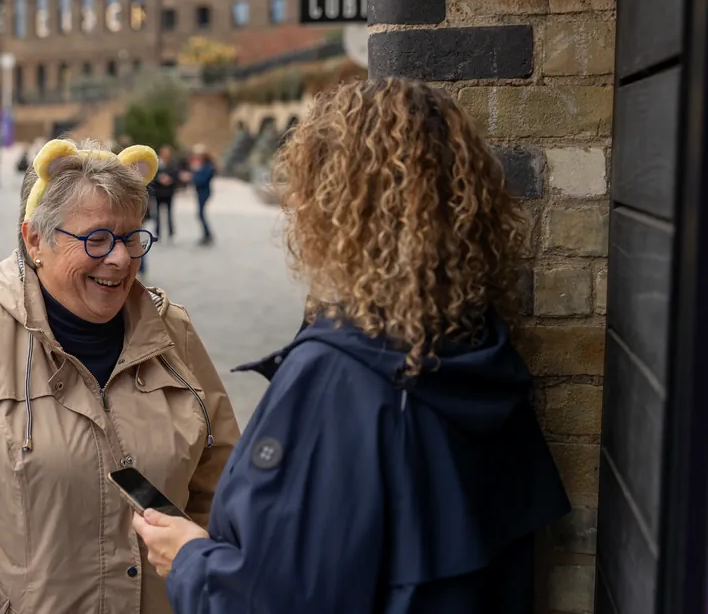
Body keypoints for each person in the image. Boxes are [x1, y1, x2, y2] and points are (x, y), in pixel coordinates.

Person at [132, 78, 571, 613]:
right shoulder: (479, 353)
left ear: (336, 207)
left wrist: (189, 560)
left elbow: (278, 600)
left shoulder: (340, 375)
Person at [0, 138, 240, 614]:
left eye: (131, 237)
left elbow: (223, 490)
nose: (120, 259)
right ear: (34, 240)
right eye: (97, 239)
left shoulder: (174, 334)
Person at [185, 145, 215, 246]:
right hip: (201, 191)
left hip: (204, 192)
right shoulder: (204, 166)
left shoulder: (208, 167)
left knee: (201, 214)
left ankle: (208, 235)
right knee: (200, 214)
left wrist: (192, 177)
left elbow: (201, 180)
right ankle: (206, 235)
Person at [151, 145, 179, 243]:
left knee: (169, 214)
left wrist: (170, 179)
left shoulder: (173, 163)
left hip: (169, 192)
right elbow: (153, 175)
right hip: (159, 192)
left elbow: (176, 174)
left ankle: (171, 233)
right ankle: (158, 233)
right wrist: (160, 179)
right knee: (157, 214)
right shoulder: (157, 163)